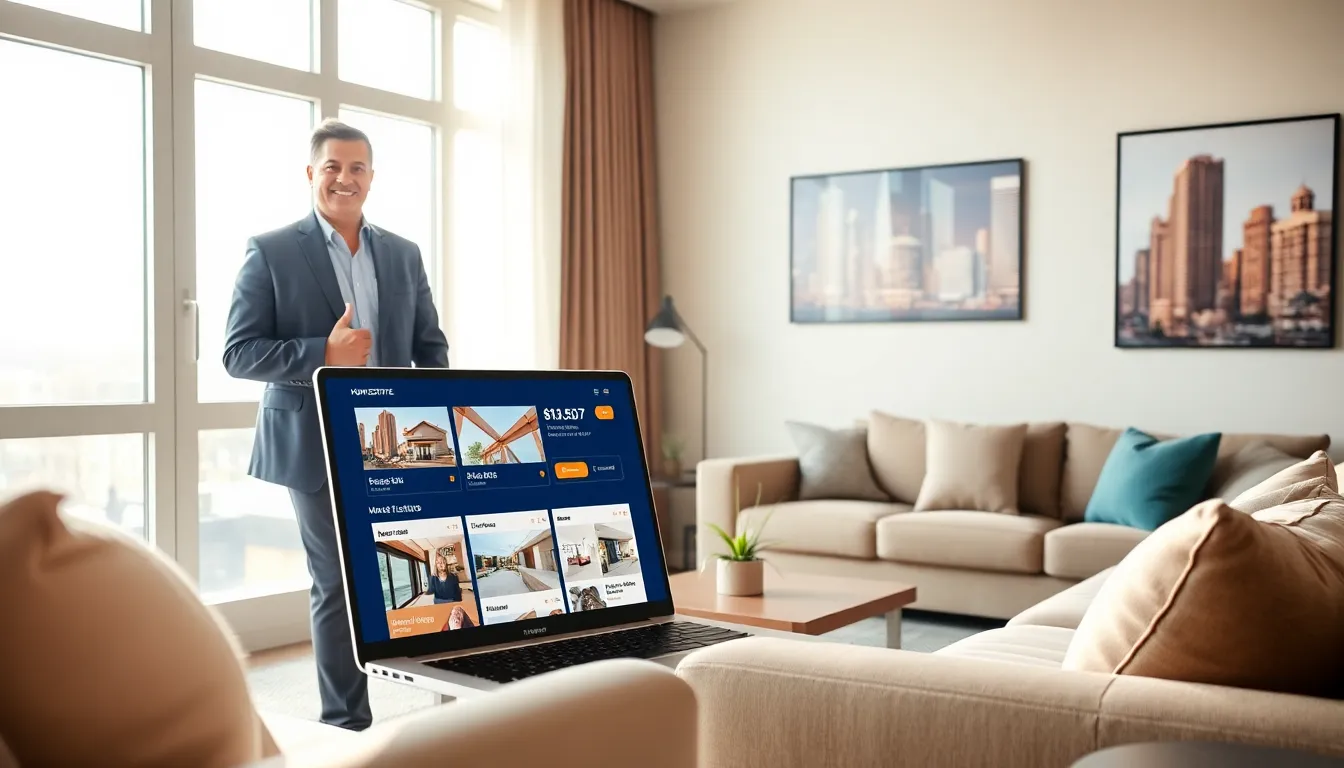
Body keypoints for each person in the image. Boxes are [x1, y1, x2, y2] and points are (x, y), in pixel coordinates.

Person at [222, 118, 449, 731]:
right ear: (311, 174)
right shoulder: (271, 250)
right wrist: (323, 353)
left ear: (371, 177)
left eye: (356, 168)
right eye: (332, 167)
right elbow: (239, 353)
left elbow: (430, 347)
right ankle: (346, 725)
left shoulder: (402, 253)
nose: (344, 179)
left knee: (420, 565)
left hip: (395, 440)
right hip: (313, 438)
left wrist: (440, 420)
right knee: (337, 580)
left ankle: (440, 702)